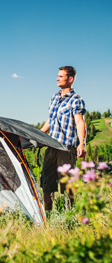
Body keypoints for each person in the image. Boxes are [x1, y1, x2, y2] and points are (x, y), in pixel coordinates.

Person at [40, 66, 87, 211]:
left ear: (70, 79)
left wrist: (82, 143)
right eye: (58, 76)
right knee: (46, 184)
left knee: (67, 187)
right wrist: (38, 135)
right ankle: (47, 219)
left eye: (61, 76)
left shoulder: (76, 100)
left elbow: (79, 122)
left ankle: (69, 219)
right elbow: (50, 120)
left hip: (66, 149)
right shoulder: (54, 97)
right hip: (51, 146)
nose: (57, 78)